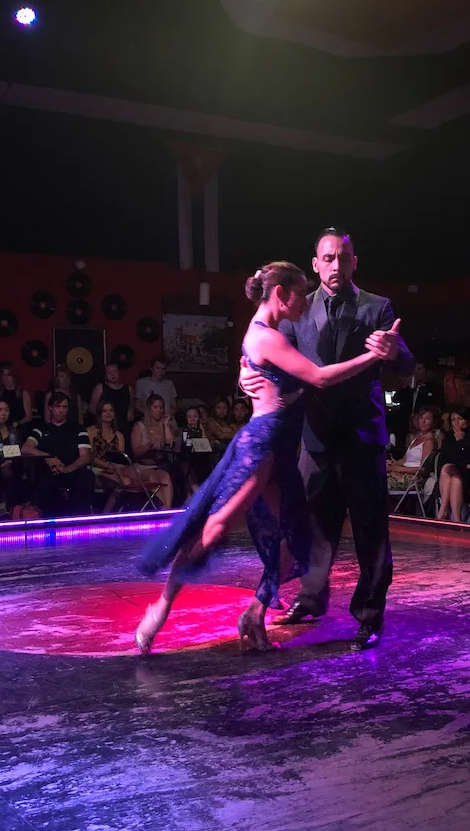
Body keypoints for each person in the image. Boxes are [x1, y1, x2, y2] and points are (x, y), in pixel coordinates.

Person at [135, 260, 402, 655]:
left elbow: (290, 383)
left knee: (297, 540)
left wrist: (252, 381)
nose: (303, 303)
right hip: (261, 447)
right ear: (281, 294)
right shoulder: (267, 336)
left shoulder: (274, 333)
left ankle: (254, 613)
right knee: (216, 526)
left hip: (283, 451)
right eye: (299, 295)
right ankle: (161, 606)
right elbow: (320, 378)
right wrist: (372, 356)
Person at [242, 228, 414, 649]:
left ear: (354, 261)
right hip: (314, 437)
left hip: (361, 437)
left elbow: (407, 364)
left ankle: (369, 616)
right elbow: (271, 352)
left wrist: (394, 352)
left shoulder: (377, 307)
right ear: (316, 264)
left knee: (371, 533)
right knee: (313, 528)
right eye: (328, 258)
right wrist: (250, 373)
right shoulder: (300, 307)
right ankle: (311, 598)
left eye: (344, 257)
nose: (337, 265)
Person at [22, 392, 94, 517]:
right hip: (49, 471)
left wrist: (67, 469)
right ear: (50, 408)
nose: (61, 410)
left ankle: (81, 520)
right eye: (57, 407)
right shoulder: (41, 429)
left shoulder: (78, 429)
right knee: (45, 482)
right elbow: (25, 448)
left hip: (73, 469)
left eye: (64, 407)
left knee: (87, 477)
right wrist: (48, 457)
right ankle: (49, 520)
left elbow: (85, 456)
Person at [436, 405, 470, 522]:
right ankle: (457, 520)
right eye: (453, 419)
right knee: (453, 477)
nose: (456, 423)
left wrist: (461, 443)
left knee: (453, 474)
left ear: (467, 420)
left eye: (460, 419)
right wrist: (464, 464)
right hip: (450, 479)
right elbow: (444, 461)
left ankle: (442, 512)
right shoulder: (448, 439)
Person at [130, 394, 176, 508]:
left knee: (166, 477)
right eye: (155, 407)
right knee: (152, 476)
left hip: (160, 465)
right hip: (142, 466)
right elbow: (136, 452)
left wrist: (165, 425)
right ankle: (161, 508)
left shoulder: (166, 426)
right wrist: (149, 445)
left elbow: (170, 444)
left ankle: (167, 509)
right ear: (149, 408)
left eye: (161, 408)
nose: (159, 410)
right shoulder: (139, 426)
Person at [87, 401, 132, 513]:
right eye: (104, 411)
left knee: (128, 480)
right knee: (124, 482)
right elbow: (89, 457)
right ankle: (106, 513)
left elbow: (120, 458)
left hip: (115, 469)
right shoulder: (91, 431)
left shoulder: (119, 435)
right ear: (99, 413)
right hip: (95, 469)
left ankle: (107, 512)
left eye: (111, 411)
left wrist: (115, 468)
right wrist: (107, 466)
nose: (108, 413)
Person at [386, 407, 437, 492]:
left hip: (414, 479)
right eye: (421, 418)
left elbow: (423, 469)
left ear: (433, 423)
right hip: (402, 474)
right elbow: (404, 460)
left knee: (380, 482)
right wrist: (392, 464)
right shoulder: (416, 438)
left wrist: (399, 469)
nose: (423, 421)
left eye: (427, 419)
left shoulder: (429, 442)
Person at [0, 363, 32, 438]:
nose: (6, 378)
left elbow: (28, 417)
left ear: (14, 377)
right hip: (1, 430)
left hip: (19, 429)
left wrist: (17, 423)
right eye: (4, 375)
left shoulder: (23, 394)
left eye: (8, 375)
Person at [89, 363, 134, 428]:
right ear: (105, 375)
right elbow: (92, 408)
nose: (113, 374)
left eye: (115, 371)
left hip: (123, 425)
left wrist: (128, 417)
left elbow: (131, 406)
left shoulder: (129, 389)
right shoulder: (100, 388)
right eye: (109, 372)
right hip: (105, 426)